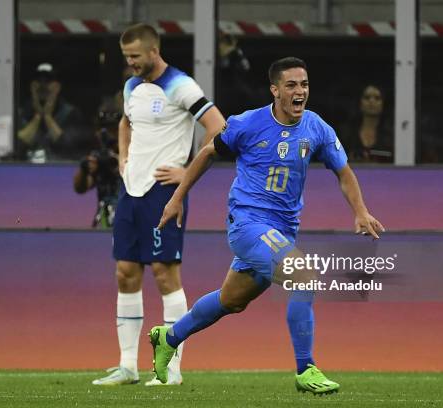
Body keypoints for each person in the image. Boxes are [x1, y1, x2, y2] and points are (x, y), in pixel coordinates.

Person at [149, 57, 385, 395]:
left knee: (230, 301)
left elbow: (344, 172)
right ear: (275, 90)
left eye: (303, 84)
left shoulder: (316, 127)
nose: (299, 91)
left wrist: (360, 211)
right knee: (304, 277)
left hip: (281, 230)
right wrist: (176, 199)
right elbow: (207, 154)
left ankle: (168, 337)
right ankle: (306, 369)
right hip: (247, 223)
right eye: (291, 85)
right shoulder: (247, 124)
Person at [91, 23, 226, 386]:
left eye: (135, 56)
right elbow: (126, 122)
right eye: (126, 57)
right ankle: (127, 367)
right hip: (131, 190)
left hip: (163, 192)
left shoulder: (182, 86)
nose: (130, 63)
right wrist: (123, 159)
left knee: (165, 275)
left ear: (154, 51)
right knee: (125, 272)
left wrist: (187, 172)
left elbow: (219, 128)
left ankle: (171, 370)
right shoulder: (132, 86)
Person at [17, 63, 88, 162]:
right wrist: (37, 116)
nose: (42, 86)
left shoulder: (71, 113)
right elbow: (18, 146)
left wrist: (47, 117)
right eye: (39, 81)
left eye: (47, 81)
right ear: (31, 86)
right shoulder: (22, 111)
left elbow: (70, 149)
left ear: (58, 87)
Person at [73, 96, 122, 229]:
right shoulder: (98, 157)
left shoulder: (135, 154)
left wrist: (118, 163)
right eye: (102, 129)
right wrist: (84, 170)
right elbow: (80, 188)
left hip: (131, 218)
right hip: (105, 218)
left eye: (113, 129)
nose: (107, 134)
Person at [340, 84, 393, 163]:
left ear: (383, 104)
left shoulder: (392, 134)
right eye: (367, 97)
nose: (371, 101)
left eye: (377, 98)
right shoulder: (346, 132)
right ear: (360, 103)